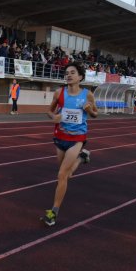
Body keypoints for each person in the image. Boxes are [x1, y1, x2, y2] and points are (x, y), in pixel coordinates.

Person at [40, 62, 98, 226]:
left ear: (80, 77)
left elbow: (96, 114)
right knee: (67, 174)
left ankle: (53, 212)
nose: (68, 75)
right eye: (66, 73)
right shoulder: (59, 93)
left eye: (72, 72)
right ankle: (81, 158)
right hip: (60, 137)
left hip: (77, 138)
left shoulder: (88, 95)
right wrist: (54, 117)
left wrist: (89, 111)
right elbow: (49, 111)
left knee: (61, 176)